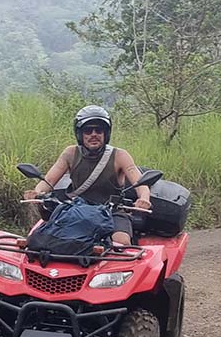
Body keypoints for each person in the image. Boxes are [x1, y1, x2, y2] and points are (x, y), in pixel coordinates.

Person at [23, 105, 152, 246]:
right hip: (77, 210)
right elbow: (48, 180)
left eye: (99, 130)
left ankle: (122, 269)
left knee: (121, 242)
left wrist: (144, 199)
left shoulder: (120, 156)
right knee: (47, 239)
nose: (93, 134)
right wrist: (37, 192)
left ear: (106, 133)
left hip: (112, 212)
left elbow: (140, 183)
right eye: (88, 130)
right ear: (80, 134)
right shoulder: (70, 154)